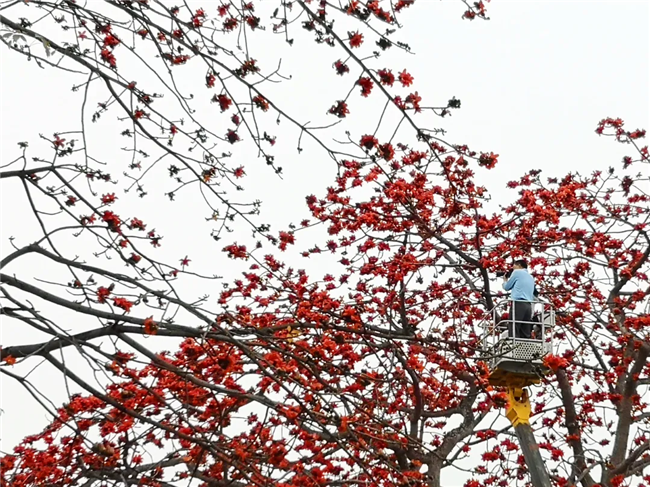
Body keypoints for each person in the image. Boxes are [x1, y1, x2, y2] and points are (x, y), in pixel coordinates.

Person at [502, 259, 536, 338]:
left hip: (518, 303)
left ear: (519, 265)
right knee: (525, 328)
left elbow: (507, 287)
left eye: (514, 266)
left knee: (514, 326)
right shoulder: (531, 277)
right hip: (528, 305)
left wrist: (505, 281)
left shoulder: (517, 272)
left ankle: (513, 342)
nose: (513, 269)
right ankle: (525, 343)